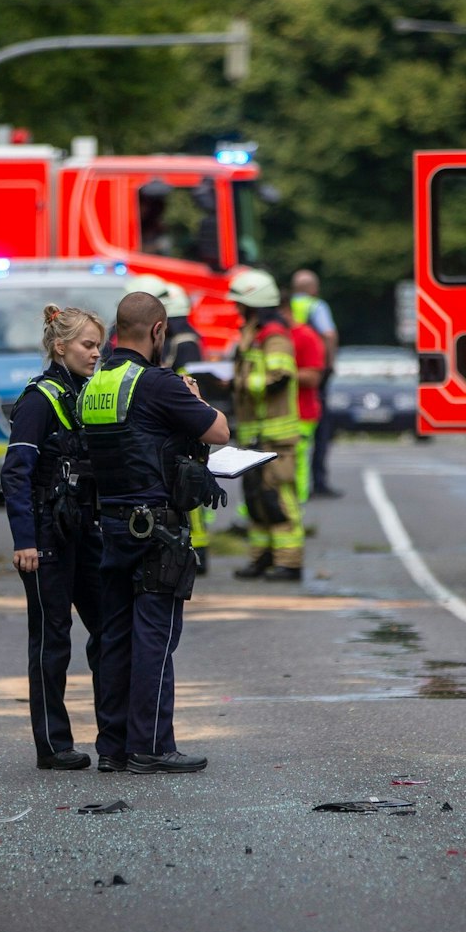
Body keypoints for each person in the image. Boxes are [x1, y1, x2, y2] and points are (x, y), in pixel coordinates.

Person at [80, 291, 230, 774]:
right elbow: (219, 432)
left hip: (111, 527)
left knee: (115, 639)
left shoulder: (97, 383)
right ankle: (151, 746)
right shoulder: (160, 384)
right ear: (159, 331)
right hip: (155, 531)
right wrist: (191, 397)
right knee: (155, 640)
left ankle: (114, 748)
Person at [0, 305, 107, 770]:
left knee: (107, 627)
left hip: (84, 533)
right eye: (88, 345)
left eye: (99, 345)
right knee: (52, 639)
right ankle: (53, 745)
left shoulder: (86, 394)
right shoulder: (39, 399)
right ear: (60, 346)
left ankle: (117, 735)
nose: (96, 354)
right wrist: (24, 540)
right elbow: (15, 474)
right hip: (45, 538)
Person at [125, 275, 211, 571]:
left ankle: (196, 549)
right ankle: (191, 547)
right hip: (170, 424)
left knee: (188, 486)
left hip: (179, 424)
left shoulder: (184, 343)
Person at [230, 269, 304, 581]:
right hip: (256, 433)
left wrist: (243, 382)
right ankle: (261, 557)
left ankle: (289, 561)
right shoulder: (254, 332)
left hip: (275, 435)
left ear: (254, 304)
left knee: (277, 498)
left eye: (241, 304)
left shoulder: (274, 335)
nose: (237, 309)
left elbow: (280, 376)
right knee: (256, 499)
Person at [290, 270, 342, 499]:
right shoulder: (316, 306)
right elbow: (329, 334)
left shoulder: (288, 307)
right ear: (313, 288)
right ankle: (318, 481)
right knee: (319, 428)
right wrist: (329, 363)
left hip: (289, 371)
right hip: (311, 371)